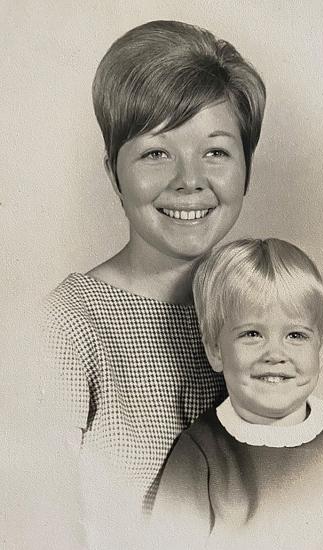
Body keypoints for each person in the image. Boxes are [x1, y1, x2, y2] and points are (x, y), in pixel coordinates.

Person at [43, 20, 265, 549]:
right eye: (155, 152)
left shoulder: (261, 309)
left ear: (246, 168)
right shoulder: (68, 324)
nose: (190, 179)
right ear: (114, 174)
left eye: (216, 151)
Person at [150, 238, 323, 550]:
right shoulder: (201, 453)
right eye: (252, 334)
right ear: (215, 350)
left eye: (296, 335)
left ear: (322, 349)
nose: (275, 354)